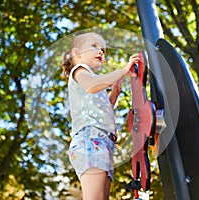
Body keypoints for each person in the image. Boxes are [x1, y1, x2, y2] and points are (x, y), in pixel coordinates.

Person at [63, 32, 139, 200]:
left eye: (103, 49)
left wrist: (114, 94)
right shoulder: (80, 71)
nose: (101, 52)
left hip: (103, 142)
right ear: (77, 53)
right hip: (90, 139)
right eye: (94, 46)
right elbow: (92, 86)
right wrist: (122, 70)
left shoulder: (94, 81)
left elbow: (101, 111)